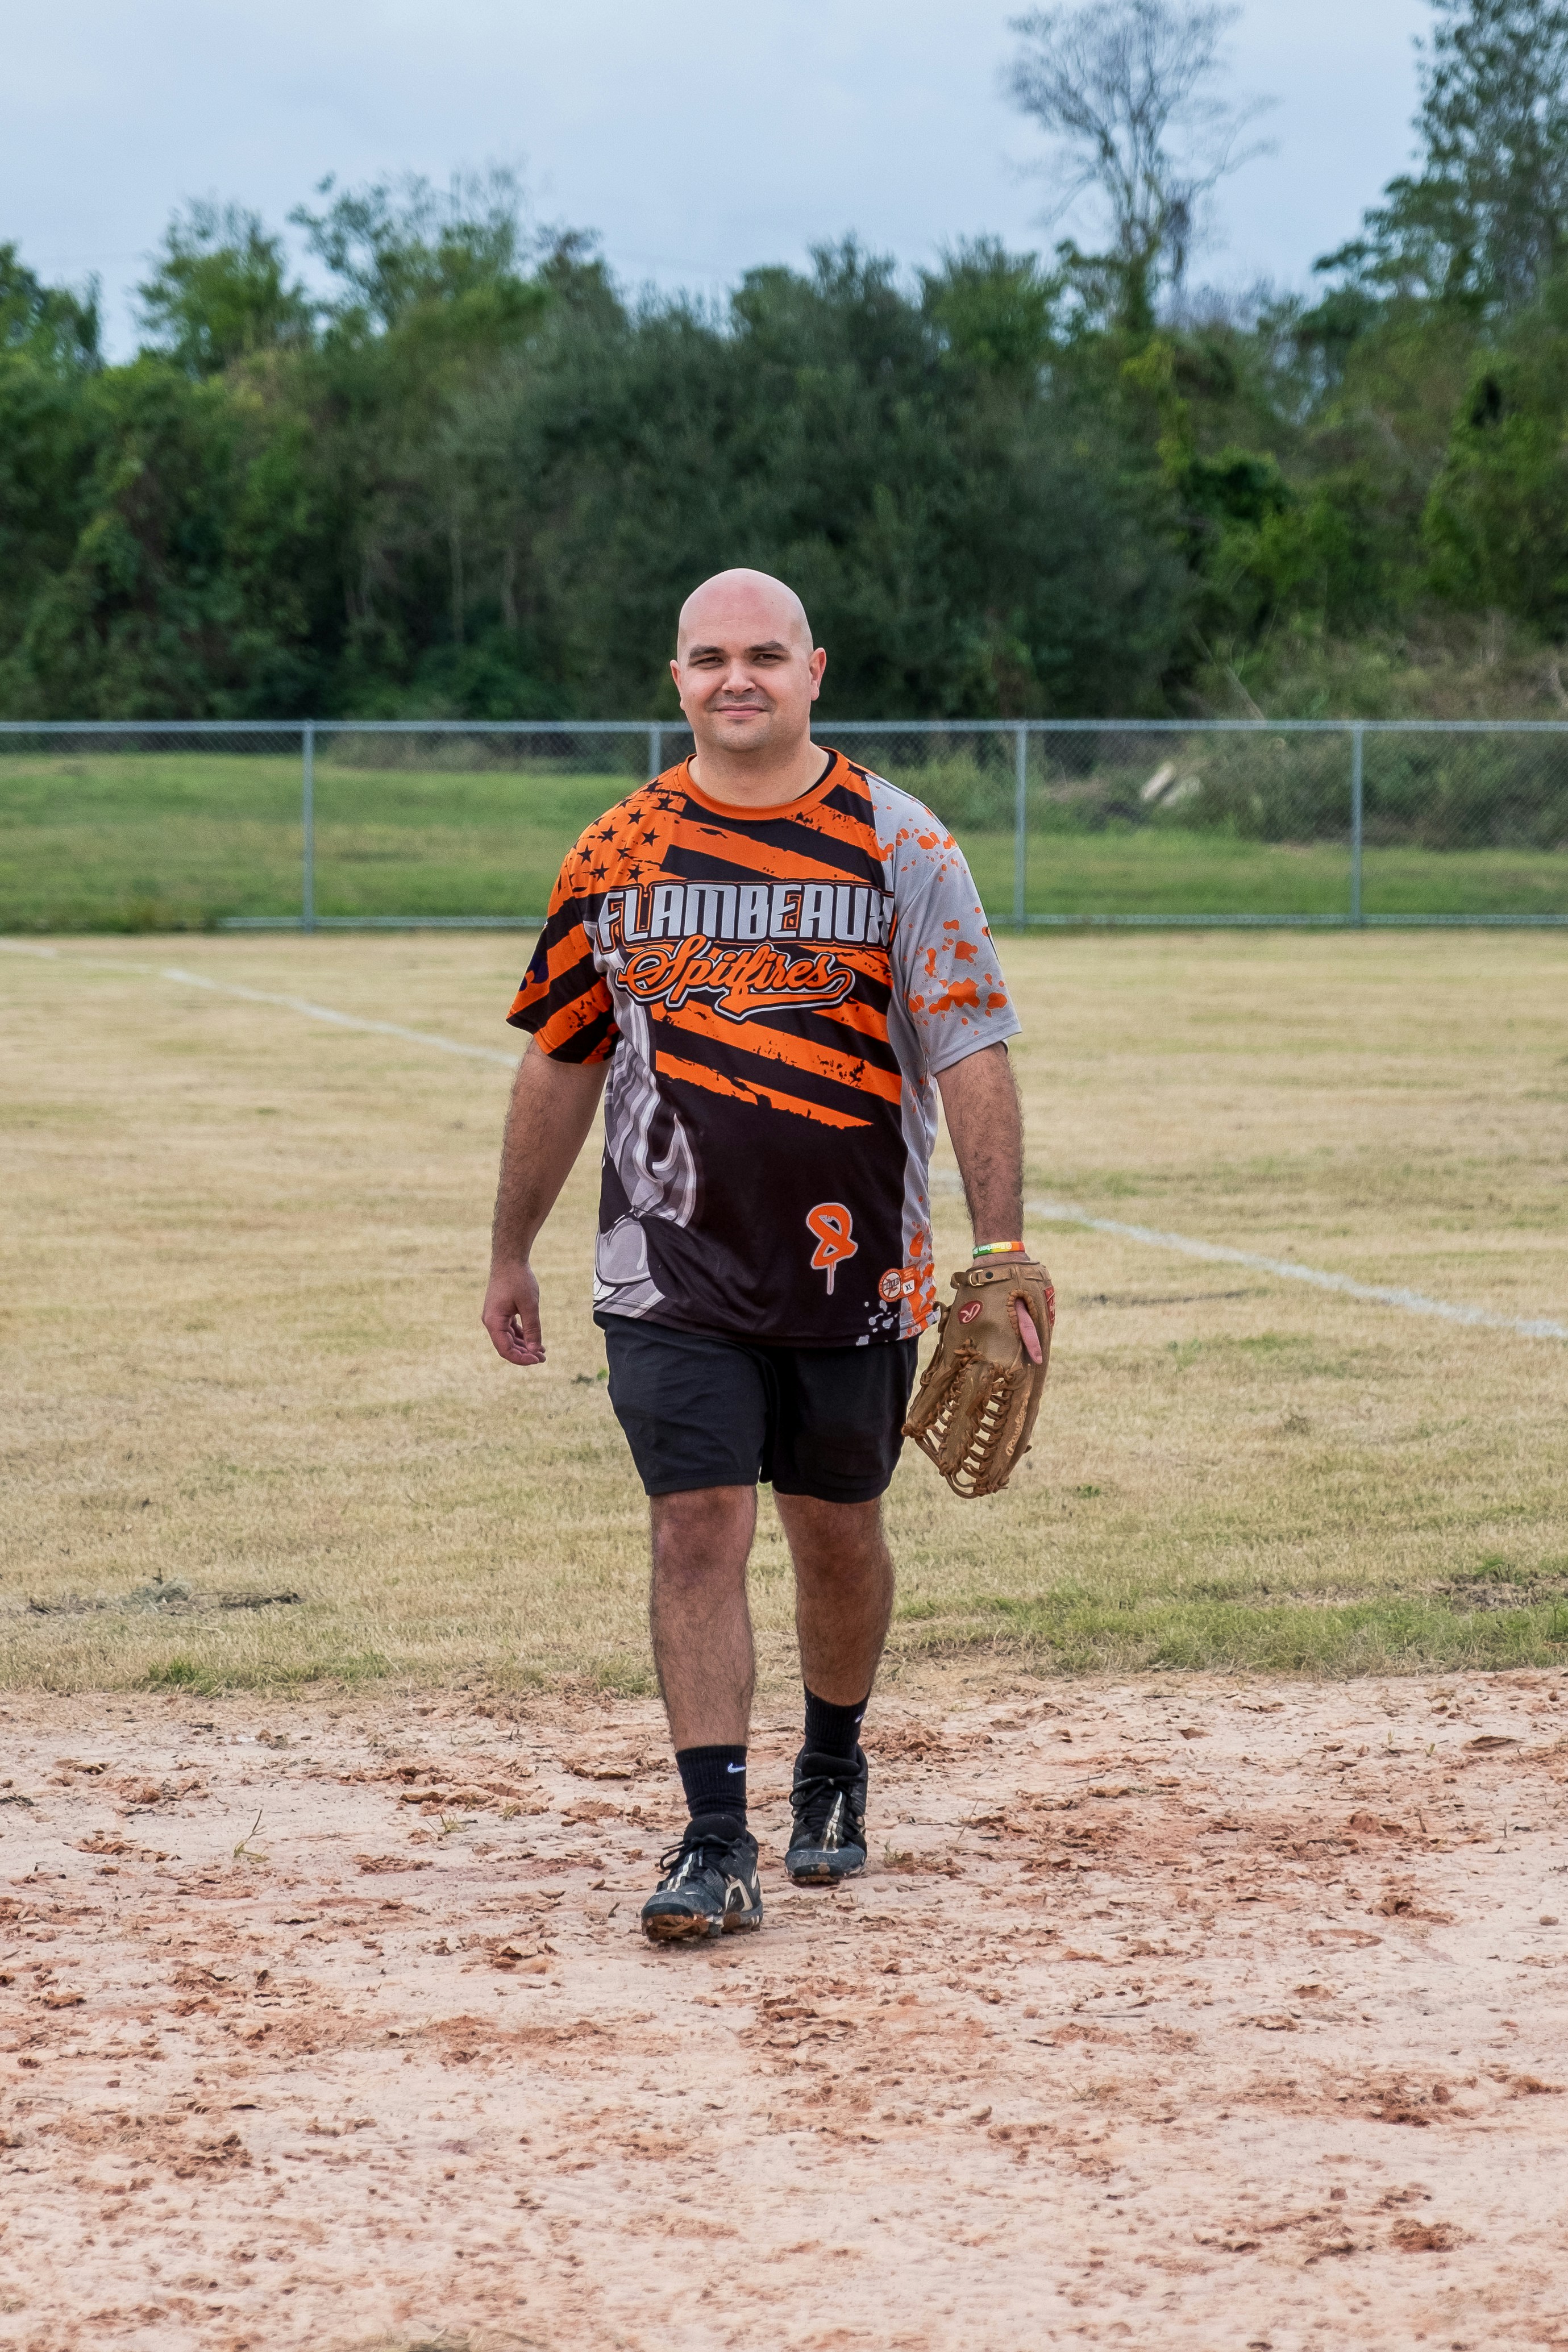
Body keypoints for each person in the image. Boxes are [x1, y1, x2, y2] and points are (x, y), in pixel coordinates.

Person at [481, 568, 1026, 1943]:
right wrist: (509, 1248)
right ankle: (712, 1834)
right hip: (667, 1267)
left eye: (766, 655)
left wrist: (1002, 1248)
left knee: (837, 1531)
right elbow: (560, 1058)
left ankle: (833, 1762)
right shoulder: (616, 852)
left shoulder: (902, 845)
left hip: (855, 1272)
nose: (739, 678)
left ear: (815, 670)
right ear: (677, 678)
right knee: (697, 1521)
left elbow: (969, 1049)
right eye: (711, 657)